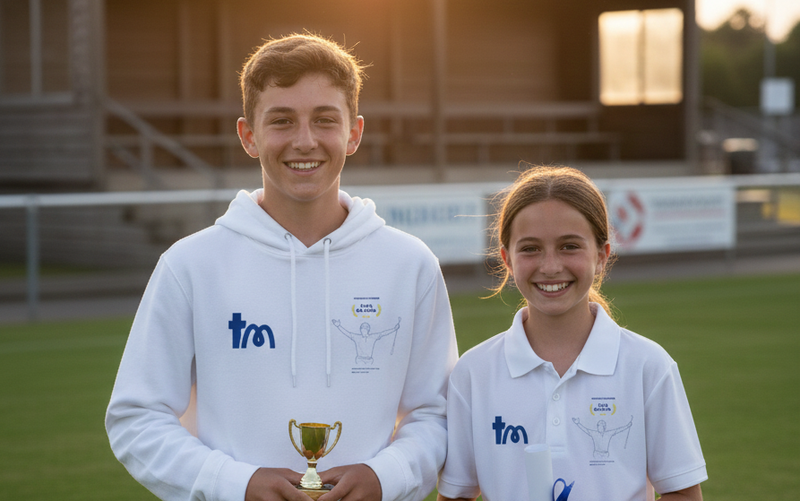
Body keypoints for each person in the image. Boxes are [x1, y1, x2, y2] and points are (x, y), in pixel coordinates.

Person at [105, 34, 458, 501]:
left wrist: (386, 475)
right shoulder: (189, 265)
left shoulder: (410, 264)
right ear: (248, 136)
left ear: (354, 133)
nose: (304, 141)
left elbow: (437, 414)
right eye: (282, 121)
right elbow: (136, 418)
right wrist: (235, 484)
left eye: (325, 120)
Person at [436, 166, 707, 501]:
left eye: (569, 246)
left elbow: (682, 492)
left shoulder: (648, 366)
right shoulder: (473, 373)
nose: (550, 266)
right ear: (506, 259)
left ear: (601, 256)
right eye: (531, 248)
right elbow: (456, 495)